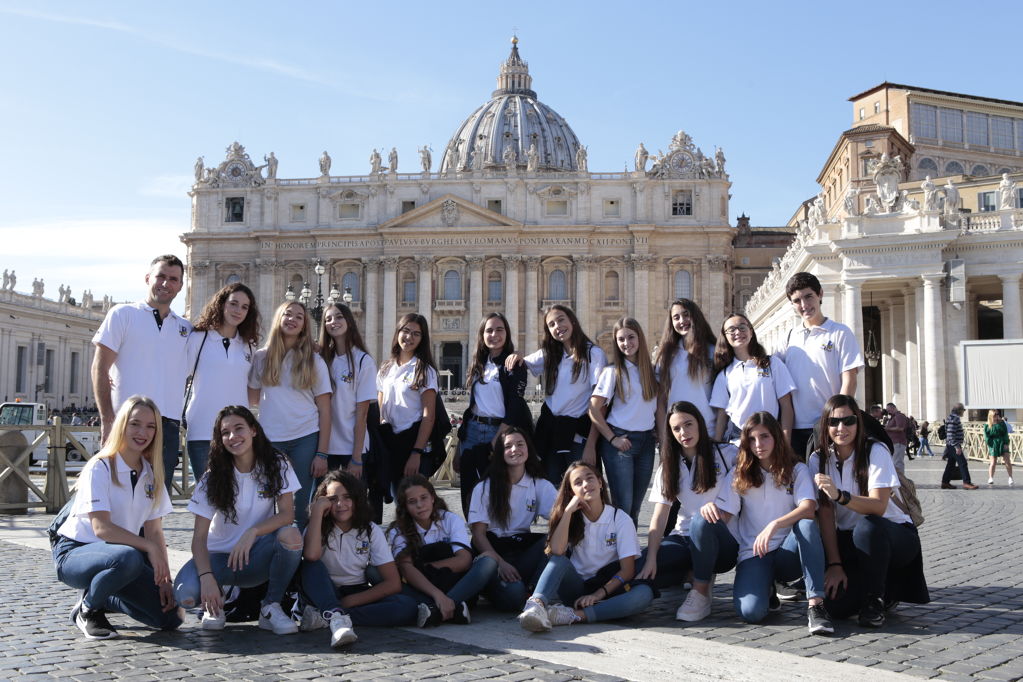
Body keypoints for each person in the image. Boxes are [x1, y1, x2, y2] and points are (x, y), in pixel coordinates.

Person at [53, 396, 182, 639]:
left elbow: (155, 532)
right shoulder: (100, 466)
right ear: (122, 424)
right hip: (75, 552)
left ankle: (104, 596)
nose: (143, 432)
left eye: (150, 426)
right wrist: (148, 549)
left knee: (171, 617)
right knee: (130, 557)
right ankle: (88, 610)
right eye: (135, 424)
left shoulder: (151, 474)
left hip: (120, 558)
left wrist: (165, 579)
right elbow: (101, 528)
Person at [173, 406, 303, 635]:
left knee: (291, 535)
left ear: (253, 430)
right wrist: (207, 578)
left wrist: (252, 531)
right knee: (187, 596)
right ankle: (216, 600)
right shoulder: (212, 478)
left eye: (239, 428)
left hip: (255, 556)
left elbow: (287, 514)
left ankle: (270, 606)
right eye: (225, 432)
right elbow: (199, 538)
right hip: (218, 560)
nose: (233, 437)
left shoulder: (277, 463)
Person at [703, 412, 833, 635]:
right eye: (752, 439)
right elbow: (726, 513)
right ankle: (767, 589)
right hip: (754, 552)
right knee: (751, 613)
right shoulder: (740, 472)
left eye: (764, 437)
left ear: (776, 437)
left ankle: (816, 605)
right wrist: (709, 508)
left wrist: (774, 525)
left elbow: (809, 507)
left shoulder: (797, 469)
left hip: (787, 551)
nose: (758, 444)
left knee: (807, 524)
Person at [810, 395, 929, 627]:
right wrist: (834, 564)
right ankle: (888, 588)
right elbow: (825, 513)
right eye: (833, 422)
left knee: (868, 526)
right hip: (850, 540)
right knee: (836, 607)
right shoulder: (818, 458)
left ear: (859, 423)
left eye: (848, 421)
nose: (841, 428)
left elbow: (878, 505)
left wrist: (840, 496)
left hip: (893, 535)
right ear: (825, 425)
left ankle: (875, 599)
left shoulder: (875, 451)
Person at [92, 255, 191, 492]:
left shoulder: (186, 329)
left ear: (180, 286)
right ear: (148, 278)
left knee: (155, 499)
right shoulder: (122, 314)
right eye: (161, 276)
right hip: (125, 421)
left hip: (166, 426)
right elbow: (99, 368)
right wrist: (107, 419)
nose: (166, 284)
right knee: (116, 492)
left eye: (173, 279)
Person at [517, 461, 653, 631]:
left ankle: (573, 616)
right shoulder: (571, 518)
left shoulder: (620, 518)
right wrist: (567, 512)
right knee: (558, 560)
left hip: (608, 589)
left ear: (600, 483)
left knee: (644, 594)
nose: (586, 485)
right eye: (578, 483)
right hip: (577, 589)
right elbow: (557, 552)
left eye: (590, 479)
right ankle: (535, 606)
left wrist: (598, 594)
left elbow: (627, 571)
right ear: (571, 492)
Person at [636, 401, 738, 622]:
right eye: (676, 429)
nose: (684, 432)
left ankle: (701, 591)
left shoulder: (727, 454)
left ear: (699, 423)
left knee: (702, 519)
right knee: (639, 568)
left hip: (724, 541)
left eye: (688, 424)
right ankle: (688, 573)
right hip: (683, 539)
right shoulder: (668, 466)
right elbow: (659, 518)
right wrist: (652, 558)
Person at [296, 470, 418, 647]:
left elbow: (393, 583)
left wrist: (348, 602)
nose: (340, 504)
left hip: (356, 593)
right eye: (332, 499)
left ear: (357, 499)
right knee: (311, 566)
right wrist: (316, 513)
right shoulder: (317, 525)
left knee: (407, 606)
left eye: (347, 497)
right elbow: (311, 555)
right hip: (323, 591)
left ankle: (329, 616)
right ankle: (335, 618)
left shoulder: (370, 530)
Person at [248, 301, 332, 528]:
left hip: (305, 438)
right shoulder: (261, 358)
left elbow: (325, 409)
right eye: (288, 314)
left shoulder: (314, 360)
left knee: (300, 504)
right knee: (266, 502)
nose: (292, 319)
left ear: (305, 326)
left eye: (299, 317)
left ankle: (298, 555)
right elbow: (253, 399)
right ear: (279, 319)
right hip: (271, 440)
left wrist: (322, 454)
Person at [506, 304, 607, 485]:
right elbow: (524, 362)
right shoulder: (550, 354)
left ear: (573, 322)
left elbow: (600, 404)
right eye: (551, 324)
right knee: (551, 488)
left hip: (579, 435)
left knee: (583, 488)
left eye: (561, 320)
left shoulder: (593, 354)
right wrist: (516, 354)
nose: (557, 326)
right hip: (551, 432)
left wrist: (591, 444)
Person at [387, 475, 497, 626]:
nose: (420, 505)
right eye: (412, 502)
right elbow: (406, 569)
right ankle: (453, 608)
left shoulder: (450, 520)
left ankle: (435, 610)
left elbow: (464, 560)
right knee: (375, 572)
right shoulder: (398, 530)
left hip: (452, 581)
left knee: (489, 560)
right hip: (421, 587)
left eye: (423, 497)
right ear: (405, 506)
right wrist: (437, 594)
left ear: (433, 497)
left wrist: (427, 568)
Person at [469, 426, 557, 611]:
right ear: (500, 453)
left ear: (528, 449)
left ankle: (535, 594)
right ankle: (494, 587)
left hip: (521, 551)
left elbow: (561, 518)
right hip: (493, 554)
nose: (515, 450)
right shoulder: (485, 487)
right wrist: (501, 564)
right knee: (514, 597)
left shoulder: (539, 484)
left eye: (520, 444)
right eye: (508, 446)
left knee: (557, 540)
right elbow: (478, 536)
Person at [777, 272, 863, 461]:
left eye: (809, 296)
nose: (804, 305)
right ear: (792, 304)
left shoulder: (840, 332)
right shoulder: (788, 338)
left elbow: (850, 379)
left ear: (820, 294)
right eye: (797, 300)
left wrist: (837, 421)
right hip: (796, 427)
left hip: (828, 426)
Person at [185, 283, 261, 480]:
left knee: (236, 494)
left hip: (238, 434)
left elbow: (253, 391)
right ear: (221, 304)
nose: (238, 311)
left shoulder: (249, 347)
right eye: (234, 304)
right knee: (207, 496)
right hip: (202, 429)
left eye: (244, 307)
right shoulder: (198, 339)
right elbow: (175, 377)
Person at [458, 313, 530, 515]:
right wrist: (458, 447)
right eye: (489, 330)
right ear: (482, 334)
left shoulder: (514, 364)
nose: (494, 334)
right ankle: (475, 535)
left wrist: (498, 439)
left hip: (499, 431)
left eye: (499, 329)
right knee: (470, 489)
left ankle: (498, 538)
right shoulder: (478, 363)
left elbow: (515, 406)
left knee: (498, 487)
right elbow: (473, 405)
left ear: (507, 333)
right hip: (472, 430)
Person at [589, 317, 658, 525]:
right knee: (623, 506)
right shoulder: (612, 372)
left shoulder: (652, 372)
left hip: (646, 442)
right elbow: (593, 409)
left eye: (630, 337)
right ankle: (618, 555)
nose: (626, 343)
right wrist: (612, 439)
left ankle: (630, 554)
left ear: (640, 338)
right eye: (621, 339)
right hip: (621, 443)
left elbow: (658, 409)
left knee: (636, 508)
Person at [377, 314, 439, 496]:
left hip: (411, 440)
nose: (409, 337)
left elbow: (429, 415)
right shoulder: (386, 368)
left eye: (416, 334)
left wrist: (416, 453)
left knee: (411, 500)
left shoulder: (424, 370)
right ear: (398, 332)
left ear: (422, 339)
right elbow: (380, 408)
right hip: (390, 441)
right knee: (397, 499)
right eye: (406, 331)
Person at [710, 313, 795, 444]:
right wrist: (716, 445)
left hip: (771, 441)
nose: (738, 332)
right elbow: (722, 416)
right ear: (725, 337)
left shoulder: (772, 364)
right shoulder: (725, 375)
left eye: (742, 327)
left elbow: (786, 405)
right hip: (739, 443)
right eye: (731, 330)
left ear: (751, 331)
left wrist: (786, 441)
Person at [319, 303, 376, 477]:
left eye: (338, 317)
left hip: (351, 447)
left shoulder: (363, 361)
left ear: (349, 322)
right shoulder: (321, 359)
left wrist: (356, 457)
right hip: (323, 447)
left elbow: (362, 414)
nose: (333, 322)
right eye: (328, 319)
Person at [654, 299, 718, 450]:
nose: (682, 321)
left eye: (686, 315)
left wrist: (720, 434)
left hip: (709, 430)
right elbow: (661, 401)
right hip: (677, 433)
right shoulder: (665, 355)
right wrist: (664, 437)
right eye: (676, 317)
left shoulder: (713, 351)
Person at [941, 403, 977, 490]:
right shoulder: (954, 418)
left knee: (951, 464)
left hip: (951, 444)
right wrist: (957, 446)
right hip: (954, 445)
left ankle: (945, 482)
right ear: (959, 410)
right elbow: (950, 434)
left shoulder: (951, 417)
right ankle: (966, 483)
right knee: (963, 463)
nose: (964, 412)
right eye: (963, 410)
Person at [985, 410, 1013, 486]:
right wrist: (991, 444)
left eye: (997, 414)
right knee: (993, 462)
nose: (997, 416)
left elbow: (1005, 434)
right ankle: (990, 477)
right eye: (995, 415)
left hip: (1002, 442)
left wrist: (1006, 443)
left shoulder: (1002, 423)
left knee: (1007, 461)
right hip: (993, 443)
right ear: (991, 416)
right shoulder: (987, 425)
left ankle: (1010, 477)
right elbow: (986, 436)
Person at [883, 402, 910, 473]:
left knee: (898, 462)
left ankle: (901, 481)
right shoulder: (893, 417)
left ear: (893, 408)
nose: (888, 412)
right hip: (894, 443)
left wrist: (887, 429)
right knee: (894, 462)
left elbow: (900, 428)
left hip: (898, 442)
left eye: (889, 410)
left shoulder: (899, 416)